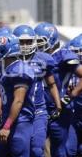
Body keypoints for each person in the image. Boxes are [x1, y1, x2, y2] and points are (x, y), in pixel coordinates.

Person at [13, 24, 62, 157]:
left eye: (28, 41)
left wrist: (58, 105)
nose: (25, 45)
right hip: (20, 113)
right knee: (20, 149)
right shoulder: (11, 61)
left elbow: (51, 84)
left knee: (36, 149)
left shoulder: (42, 59)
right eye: (21, 42)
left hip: (38, 111)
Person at [35, 23, 82, 157]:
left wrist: (71, 95)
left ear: (51, 39)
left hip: (58, 110)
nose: (37, 45)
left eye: (40, 41)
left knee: (63, 150)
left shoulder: (63, 55)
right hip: (39, 109)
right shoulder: (35, 57)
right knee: (35, 149)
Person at [0, 33, 36, 157]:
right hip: (8, 121)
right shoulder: (7, 69)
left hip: (20, 123)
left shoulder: (19, 70)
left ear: (5, 50)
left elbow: (18, 101)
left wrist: (7, 126)